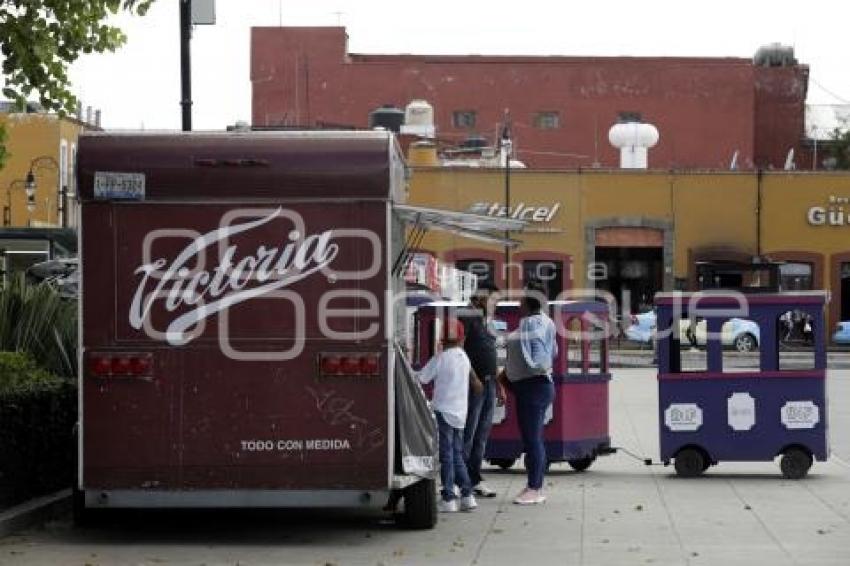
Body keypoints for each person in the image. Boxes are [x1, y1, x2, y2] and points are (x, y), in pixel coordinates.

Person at [498, 281, 557, 505]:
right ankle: (534, 485)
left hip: (531, 386)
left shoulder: (529, 324)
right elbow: (554, 351)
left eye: (522, 297)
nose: (519, 301)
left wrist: (522, 370)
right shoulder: (547, 322)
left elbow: (536, 358)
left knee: (532, 440)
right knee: (535, 438)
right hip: (539, 386)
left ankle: (535, 488)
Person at [418, 318, 483, 513]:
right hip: (460, 414)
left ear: (442, 339)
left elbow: (422, 377)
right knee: (457, 455)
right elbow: (474, 382)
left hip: (444, 411)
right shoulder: (464, 357)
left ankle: (448, 497)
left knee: (446, 456)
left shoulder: (441, 357)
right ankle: (467, 495)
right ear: (461, 339)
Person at [461, 283, 502, 499]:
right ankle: (461, 479)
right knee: (469, 433)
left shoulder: (486, 321)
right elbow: (458, 350)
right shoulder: (466, 316)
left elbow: (491, 353)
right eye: (493, 300)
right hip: (474, 385)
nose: (495, 305)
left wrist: (499, 384)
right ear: (481, 298)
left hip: (489, 385)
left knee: (482, 435)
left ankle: (475, 477)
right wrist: (473, 378)